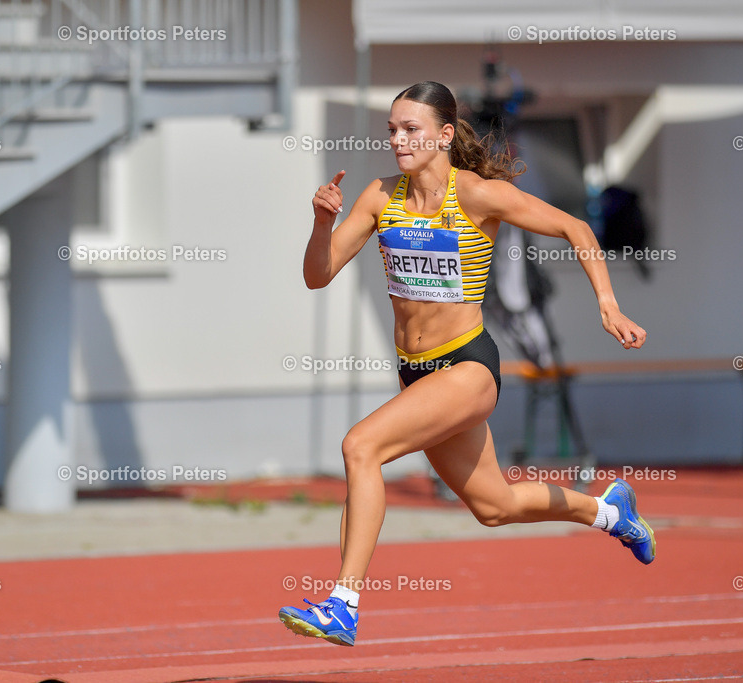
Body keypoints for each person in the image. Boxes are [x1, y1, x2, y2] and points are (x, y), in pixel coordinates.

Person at [278, 81, 654, 647]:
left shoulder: (477, 195)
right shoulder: (381, 196)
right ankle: (609, 511)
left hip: (467, 369)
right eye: (392, 130)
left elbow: (575, 228)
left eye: (411, 130)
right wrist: (320, 222)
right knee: (494, 506)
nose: (399, 140)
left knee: (361, 447)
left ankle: (343, 605)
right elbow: (317, 274)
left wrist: (608, 303)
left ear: (445, 135)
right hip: (416, 372)